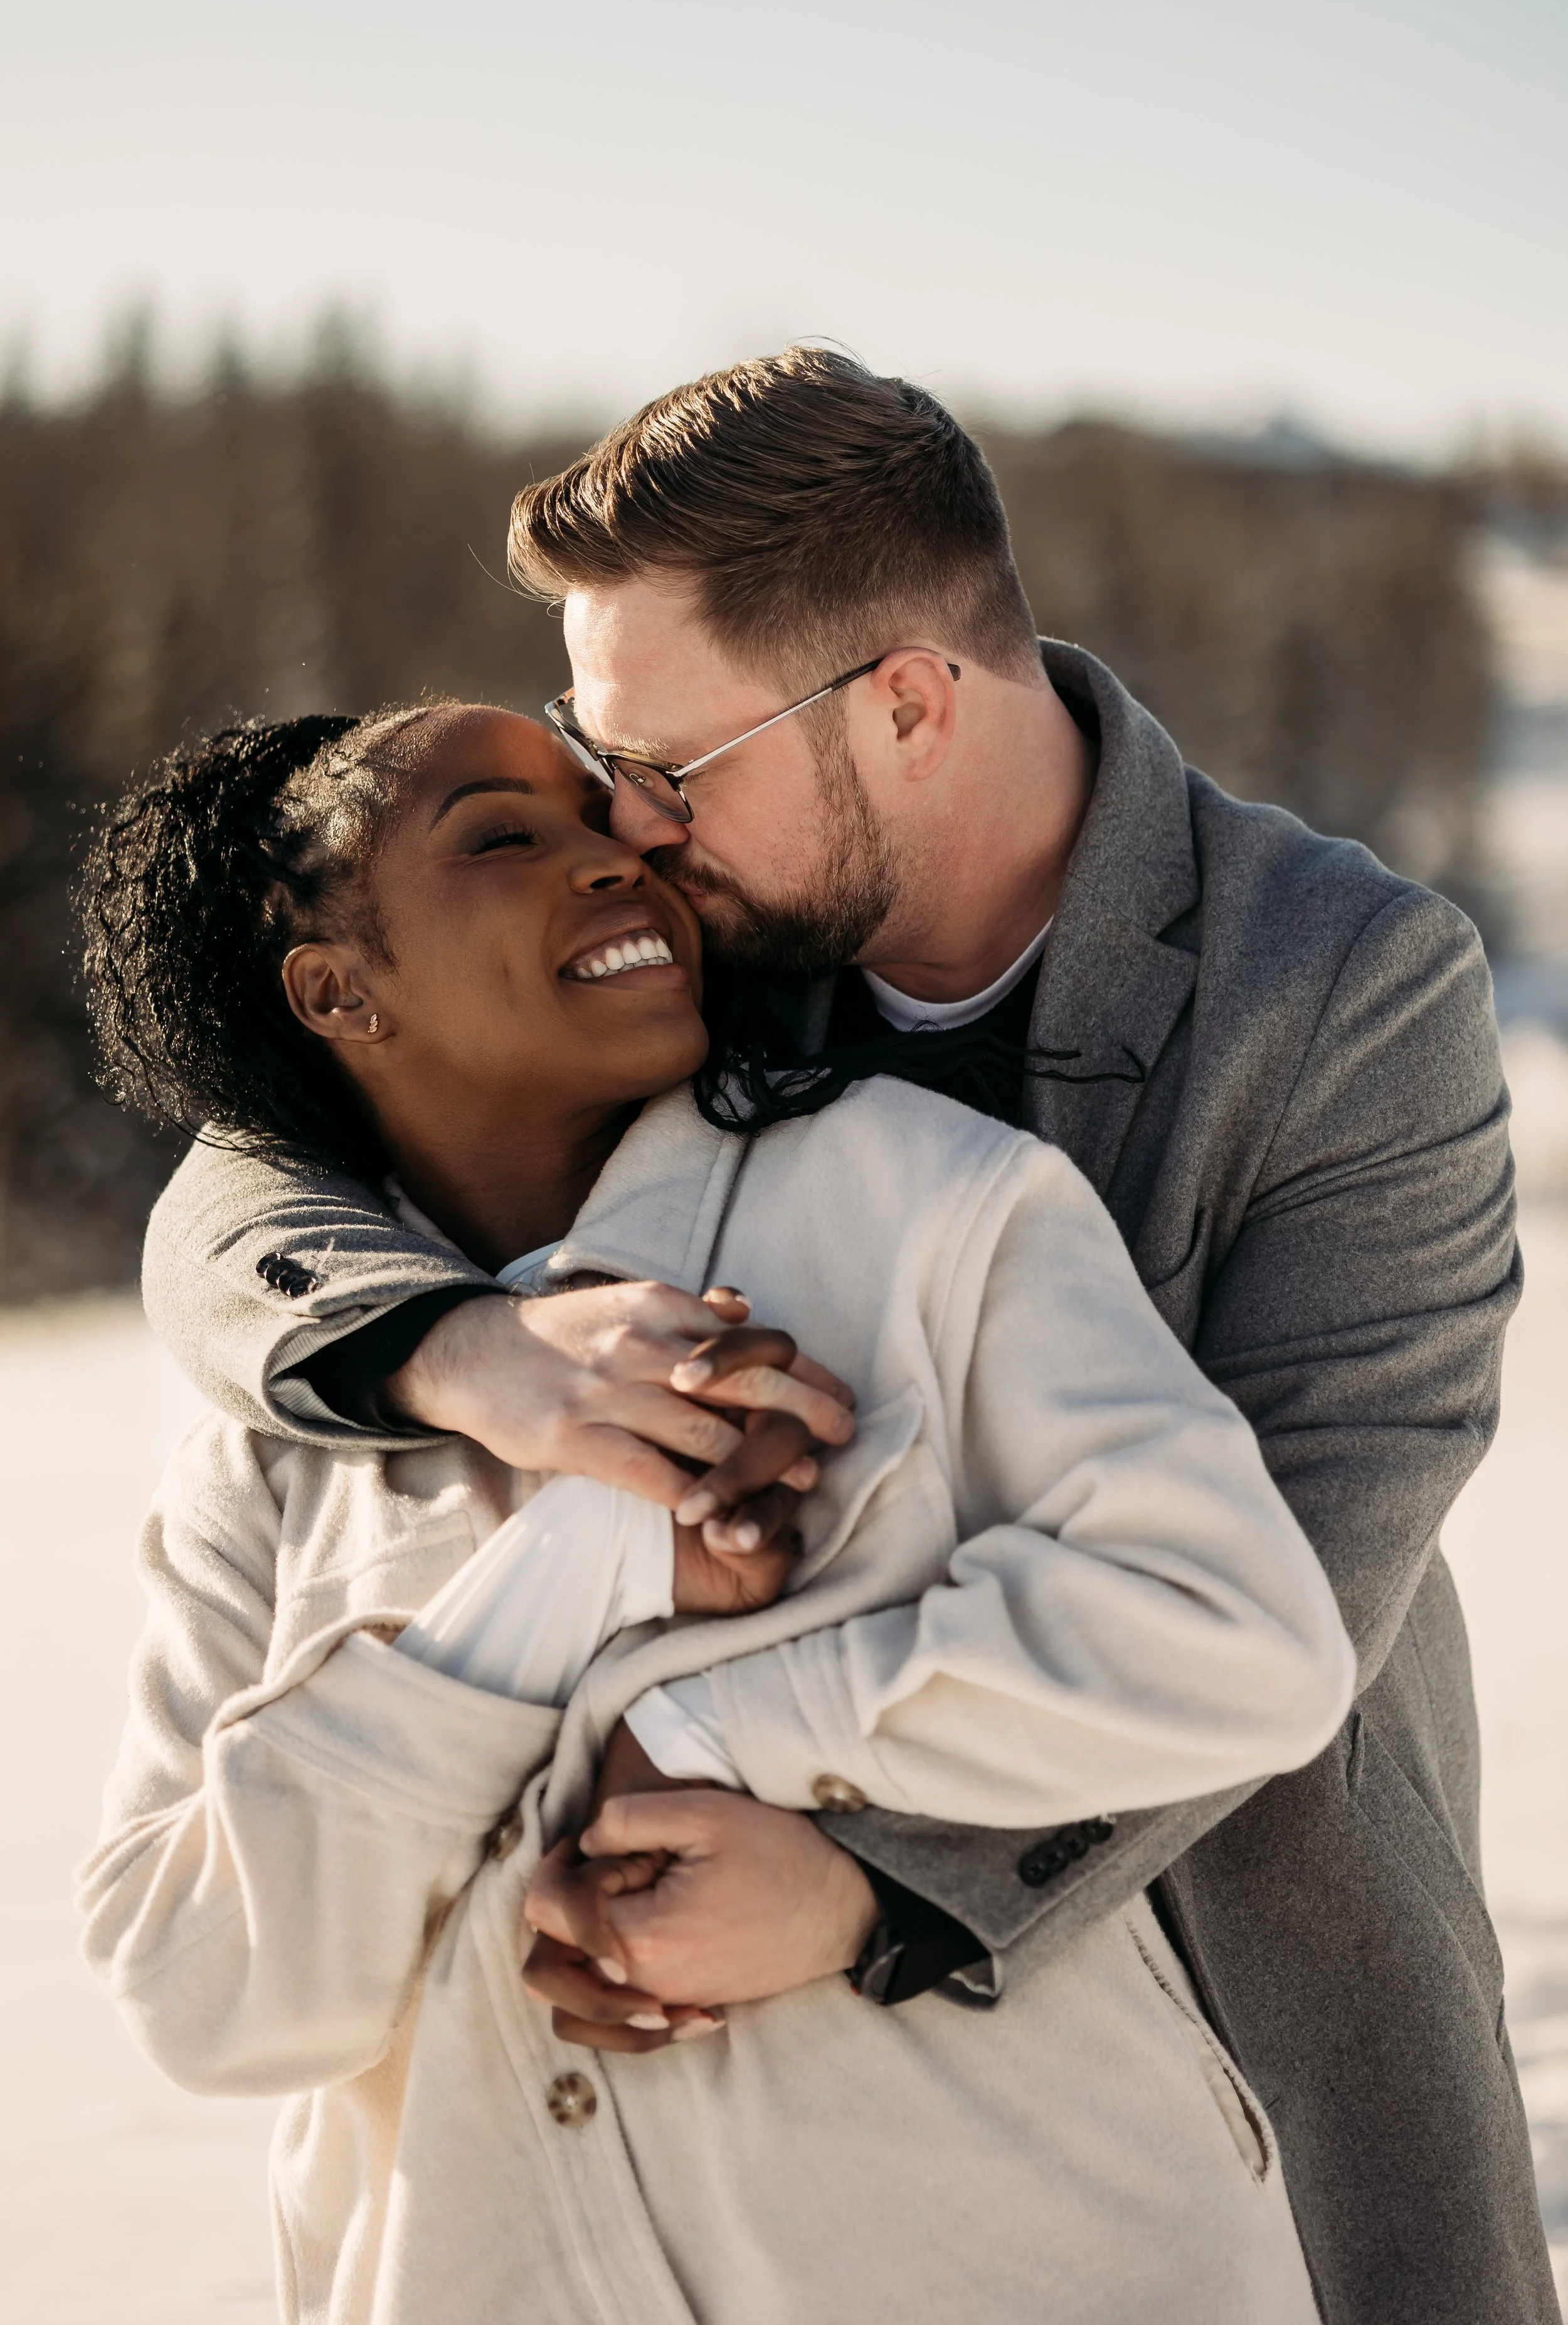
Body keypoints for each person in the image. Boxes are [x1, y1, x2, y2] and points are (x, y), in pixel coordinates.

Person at [137, 350, 1555, 2324]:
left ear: (903, 701)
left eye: (669, 761)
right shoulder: (702, 913)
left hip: (1246, 1938)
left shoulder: (1337, 991)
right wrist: (465, 1354)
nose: (626, 819)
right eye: (594, 750)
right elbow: (244, 1180)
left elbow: (1297, 1583)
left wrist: (877, 1875)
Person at [78, 701, 1352, 2324]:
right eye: (503, 835)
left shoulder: (924, 1202)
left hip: (1031, 2255)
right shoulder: (268, 1449)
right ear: (337, 991)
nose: (619, 856)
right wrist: (581, 1564)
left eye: (601, 811)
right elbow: (201, 1998)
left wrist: (715, 1733)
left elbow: (1241, 1638)